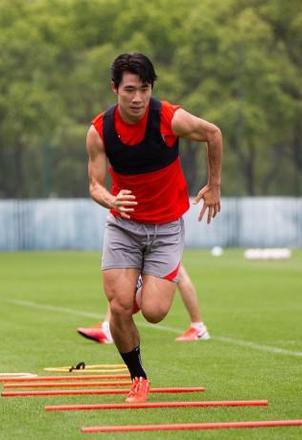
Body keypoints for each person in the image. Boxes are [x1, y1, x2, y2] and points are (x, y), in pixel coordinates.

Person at [86, 53, 222, 403]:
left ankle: (140, 284)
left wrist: (214, 185)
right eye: (130, 90)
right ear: (115, 88)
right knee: (118, 307)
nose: (138, 98)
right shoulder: (100, 131)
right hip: (124, 227)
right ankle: (138, 377)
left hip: (166, 228)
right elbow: (95, 185)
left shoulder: (169, 118)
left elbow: (213, 133)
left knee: (155, 312)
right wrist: (110, 200)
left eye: (144, 89)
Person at [77, 264, 210, 344]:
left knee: (178, 272)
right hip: (161, 231)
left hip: (163, 232)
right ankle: (108, 327)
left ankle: (198, 327)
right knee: (124, 272)